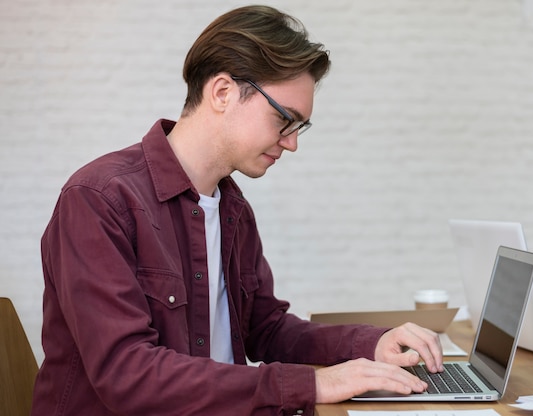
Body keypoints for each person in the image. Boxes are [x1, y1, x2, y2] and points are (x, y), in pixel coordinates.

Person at [31, 5, 443, 416]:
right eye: (284, 119)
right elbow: (129, 374)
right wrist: (315, 383)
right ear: (223, 92)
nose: (291, 143)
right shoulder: (100, 199)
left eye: (299, 127)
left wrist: (370, 343)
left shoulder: (232, 208)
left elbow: (265, 329)